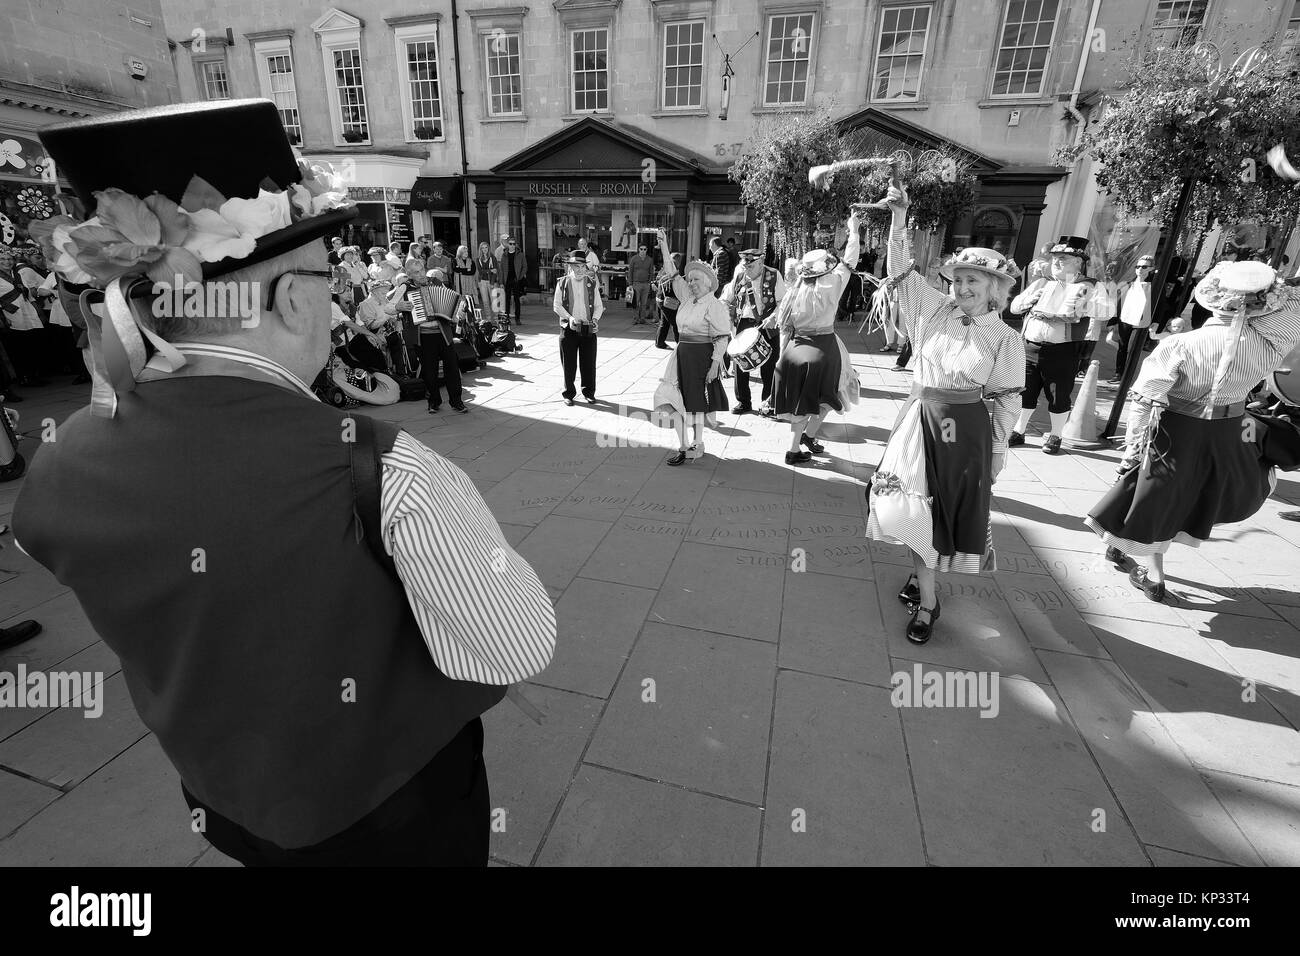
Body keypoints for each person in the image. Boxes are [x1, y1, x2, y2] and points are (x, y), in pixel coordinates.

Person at [15, 100, 554, 865]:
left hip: (224, 801)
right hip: (393, 816)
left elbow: (45, 544)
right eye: (324, 283)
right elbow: (517, 646)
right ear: (296, 298)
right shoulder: (384, 467)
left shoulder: (61, 457)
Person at [860, 173, 1025, 645]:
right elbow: (899, 274)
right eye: (957, 279)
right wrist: (898, 218)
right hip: (919, 421)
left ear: (996, 288)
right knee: (907, 508)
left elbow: (1006, 400)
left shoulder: (1006, 339)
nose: (962, 287)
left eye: (973, 280)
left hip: (965, 432)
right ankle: (929, 602)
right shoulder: (932, 310)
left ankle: (922, 579)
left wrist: (996, 452)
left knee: (942, 514)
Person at [1087, 262, 1300, 602]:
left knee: (1160, 497)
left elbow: (1144, 399)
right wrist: (1274, 290)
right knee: (1181, 495)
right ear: (1263, 304)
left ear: (1213, 298)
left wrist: (1131, 448)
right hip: (1229, 431)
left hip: (1178, 428)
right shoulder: (1269, 344)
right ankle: (1119, 548)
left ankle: (1154, 577)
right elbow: (1293, 313)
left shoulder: (1184, 343)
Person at [770, 212, 859, 466]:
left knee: (800, 402)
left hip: (795, 349)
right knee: (834, 395)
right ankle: (808, 436)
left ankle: (794, 447)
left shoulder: (794, 290)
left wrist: (781, 356)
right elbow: (850, 261)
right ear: (826, 267)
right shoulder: (834, 282)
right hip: (824, 347)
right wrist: (854, 231)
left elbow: (785, 327)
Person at [1008, 236, 1099, 454]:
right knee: (1025, 392)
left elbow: (1101, 312)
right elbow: (1014, 307)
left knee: (1058, 395)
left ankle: (1056, 435)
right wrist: (1030, 300)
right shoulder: (1042, 282)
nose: (1057, 262)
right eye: (1055, 258)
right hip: (1029, 347)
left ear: (1078, 261)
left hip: (1061, 351)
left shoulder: (1090, 286)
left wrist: (1082, 307)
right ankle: (1019, 431)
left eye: (1063, 258)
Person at [651, 229, 729, 463]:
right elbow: (672, 272)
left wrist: (716, 363)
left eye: (696, 280)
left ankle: (697, 443)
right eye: (690, 279)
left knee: (695, 402)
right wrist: (664, 246)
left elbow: (722, 336)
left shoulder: (714, 305)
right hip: (681, 354)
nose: (691, 283)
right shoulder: (686, 297)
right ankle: (684, 445)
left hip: (702, 357)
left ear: (706, 284)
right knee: (672, 397)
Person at [722, 247, 786, 415]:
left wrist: (774, 317)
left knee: (769, 365)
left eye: (750, 266)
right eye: (745, 265)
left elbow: (783, 302)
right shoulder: (740, 276)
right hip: (744, 323)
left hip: (767, 325)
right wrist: (721, 308)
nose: (747, 269)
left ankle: (768, 403)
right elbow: (726, 298)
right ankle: (743, 402)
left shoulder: (774, 275)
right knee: (740, 364)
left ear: (760, 262)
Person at [411, 269, 469, 414]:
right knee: (430, 371)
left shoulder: (436, 283)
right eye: (417, 273)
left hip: (443, 334)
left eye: (422, 272)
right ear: (410, 275)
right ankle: (433, 402)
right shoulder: (406, 288)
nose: (422, 276)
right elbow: (389, 304)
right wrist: (399, 307)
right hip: (424, 336)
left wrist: (459, 311)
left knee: (452, 368)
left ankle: (457, 402)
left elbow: (457, 299)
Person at [553, 250, 603, 405]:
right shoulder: (562, 282)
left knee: (589, 363)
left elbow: (599, 306)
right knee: (569, 364)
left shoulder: (591, 282)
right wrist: (570, 318)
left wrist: (595, 319)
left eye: (583, 266)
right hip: (569, 329)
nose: (580, 270)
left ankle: (589, 392)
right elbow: (557, 305)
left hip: (588, 328)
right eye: (577, 266)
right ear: (571, 267)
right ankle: (568, 393)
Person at [1110, 255, 1154, 383]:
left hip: (1141, 322)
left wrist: (1156, 322)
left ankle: (1128, 376)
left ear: (1151, 269)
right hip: (1125, 319)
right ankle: (1119, 374)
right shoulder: (1128, 284)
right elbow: (1118, 304)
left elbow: (1159, 303)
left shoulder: (1153, 286)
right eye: (1138, 266)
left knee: (1133, 349)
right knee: (1122, 347)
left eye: (1144, 267)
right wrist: (1113, 321)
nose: (1140, 269)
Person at [497, 236, 527, 326]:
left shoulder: (520, 254)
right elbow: (501, 270)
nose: (512, 245)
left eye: (514, 244)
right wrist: (501, 282)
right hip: (507, 280)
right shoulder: (504, 255)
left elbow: (525, 267)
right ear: (508, 244)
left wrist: (520, 277)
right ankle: (507, 319)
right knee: (507, 300)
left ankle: (517, 318)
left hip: (516, 280)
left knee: (517, 300)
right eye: (510, 244)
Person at [655, 252, 683, 349]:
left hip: (661, 299)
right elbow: (673, 287)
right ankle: (679, 344)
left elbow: (658, 280)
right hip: (668, 301)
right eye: (679, 261)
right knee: (676, 323)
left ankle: (659, 343)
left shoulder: (664, 269)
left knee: (664, 322)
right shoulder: (672, 271)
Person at [628, 242, 656, 326]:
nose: (643, 251)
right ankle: (635, 319)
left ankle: (642, 319)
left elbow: (651, 272)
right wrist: (630, 284)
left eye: (644, 249)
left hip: (646, 284)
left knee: (644, 303)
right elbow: (630, 272)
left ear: (647, 250)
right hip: (636, 284)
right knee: (636, 302)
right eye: (641, 249)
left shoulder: (650, 260)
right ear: (638, 250)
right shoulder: (634, 259)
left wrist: (649, 282)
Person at [475, 241, 499, 320]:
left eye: (486, 247)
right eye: (483, 248)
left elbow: (495, 271)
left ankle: (496, 318)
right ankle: (488, 319)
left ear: (488, 248)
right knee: (485, 302)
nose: (484, 249)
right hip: (482, 282)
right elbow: (480, 271)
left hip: (491, 282)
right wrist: (490, 270)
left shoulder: (492, 257)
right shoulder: (478, 259)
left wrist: (492, 283)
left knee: (493, 302)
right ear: (480, 249)